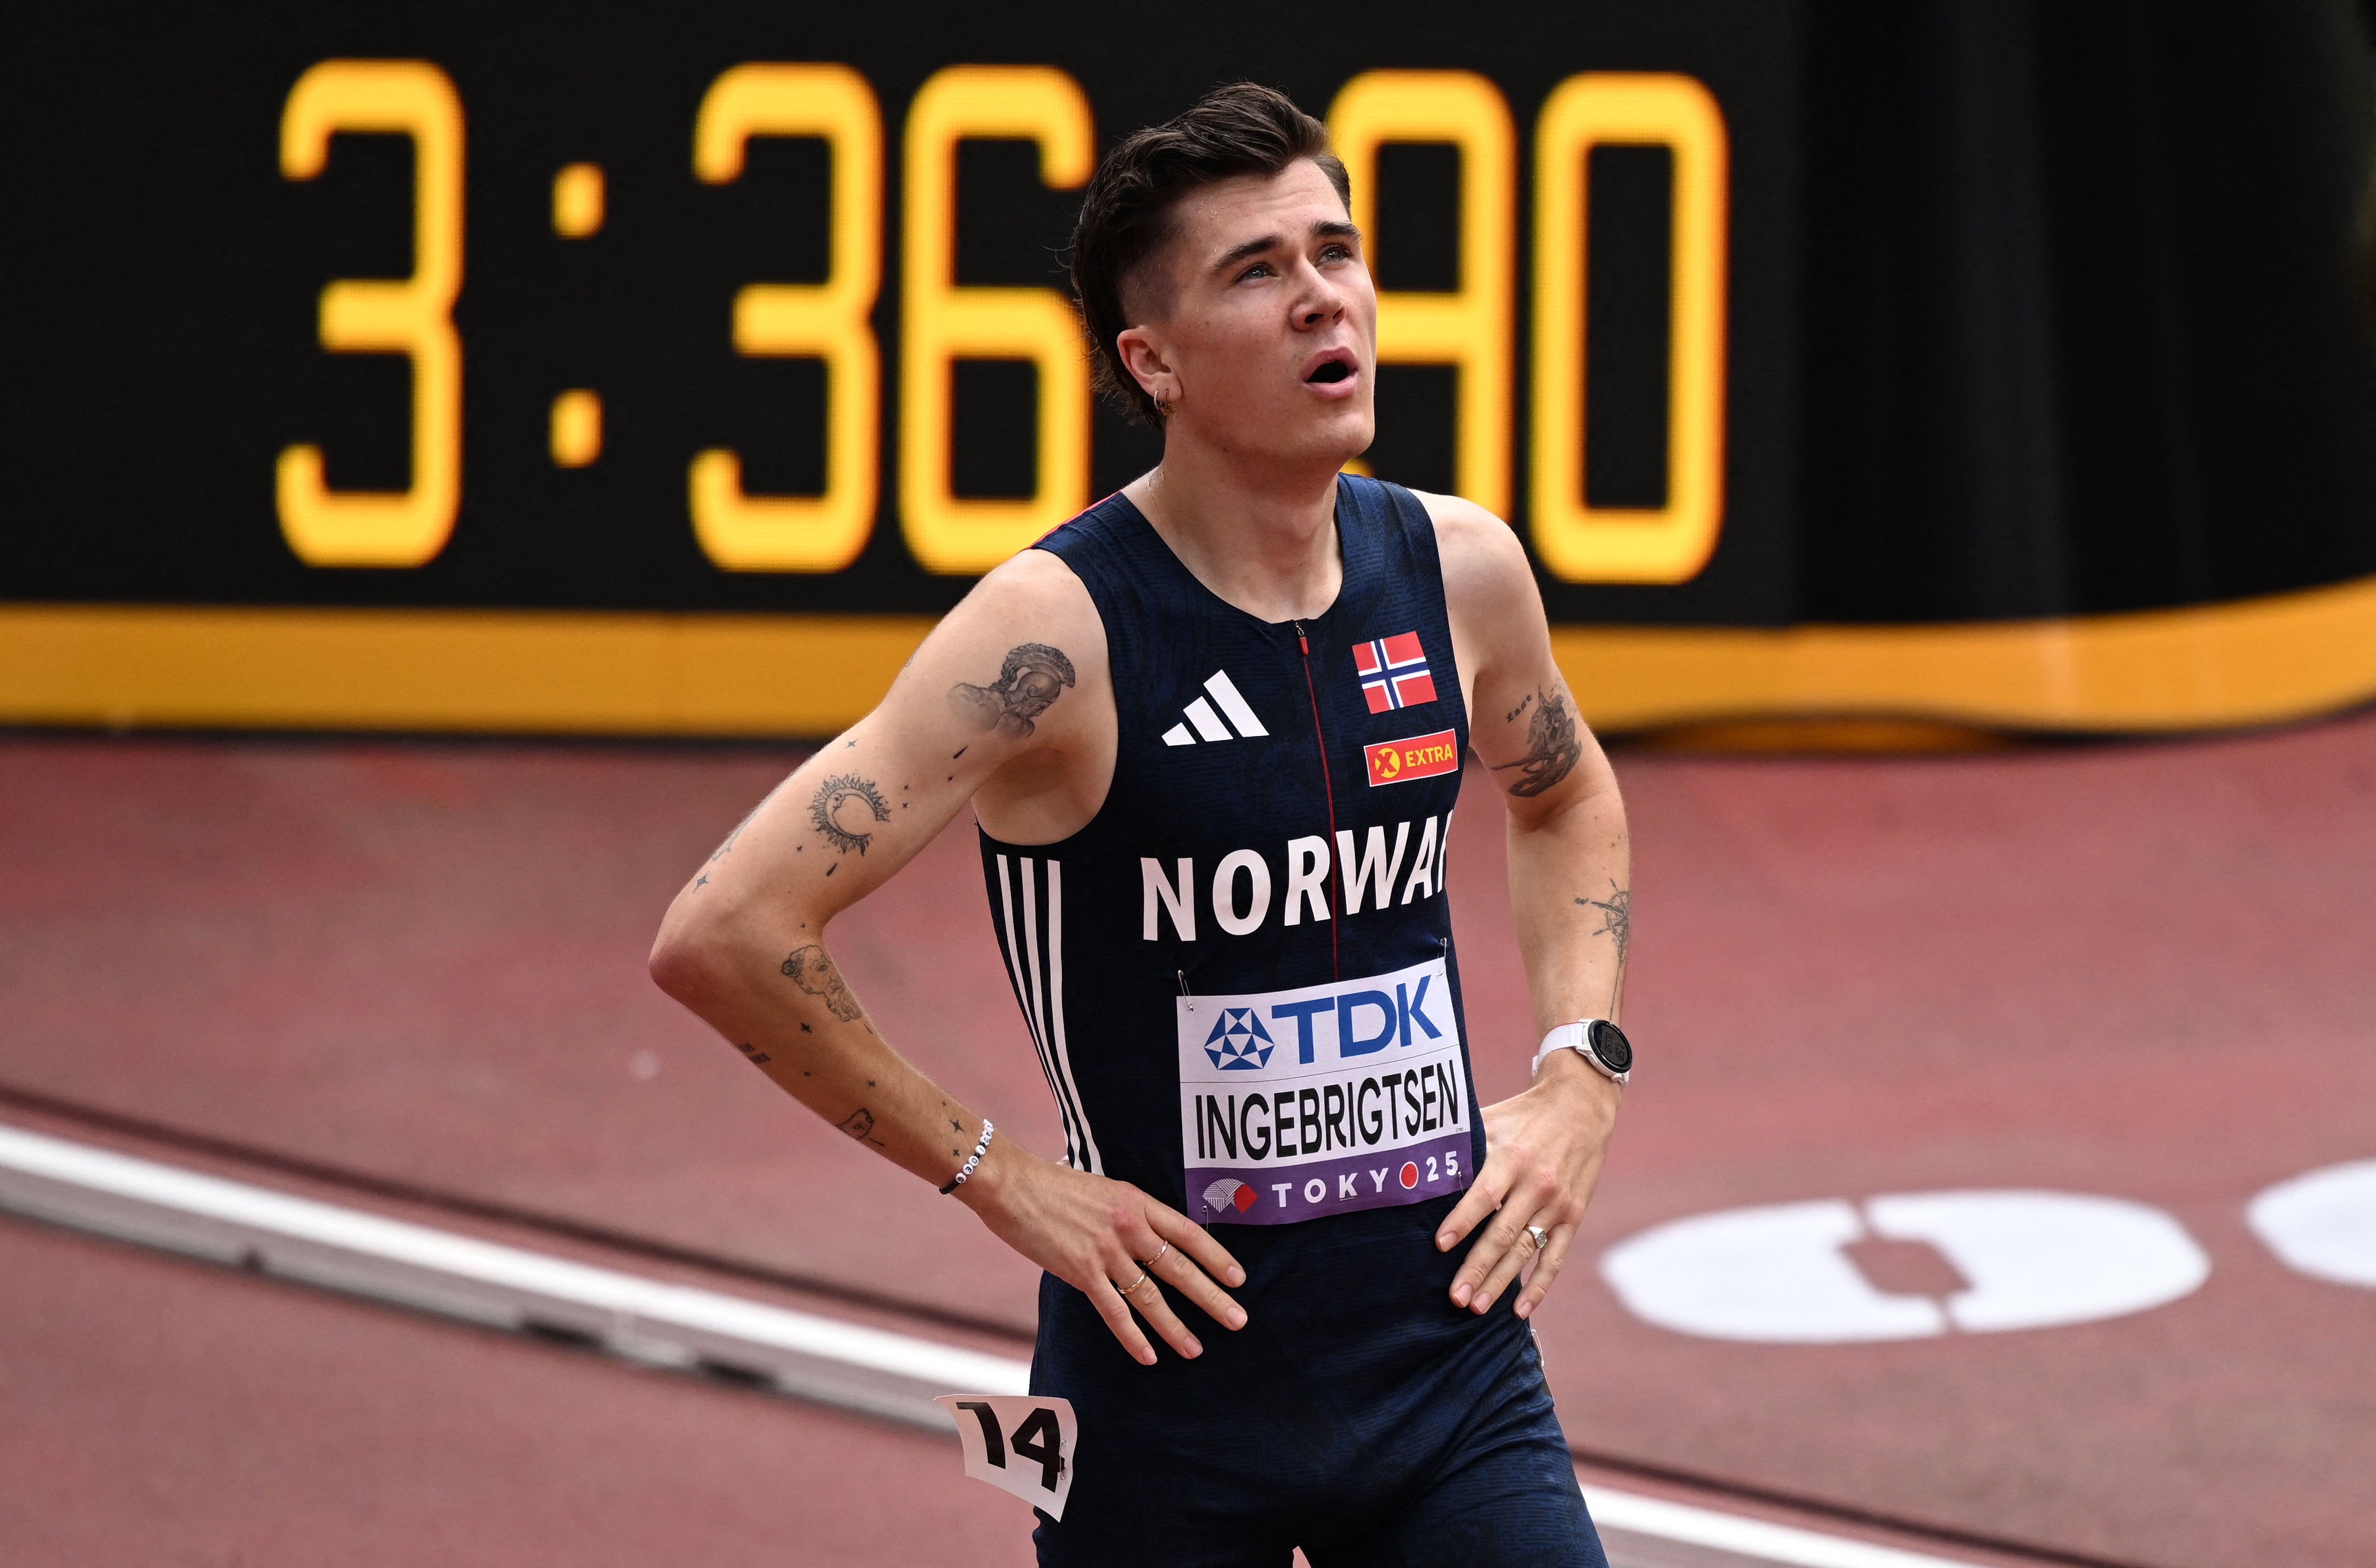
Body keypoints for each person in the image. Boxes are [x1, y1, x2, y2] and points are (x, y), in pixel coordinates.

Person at [650, 81, 1632, 1567]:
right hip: (1162, 1405)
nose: (1322, 299)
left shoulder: (1459, 570)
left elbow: (1562, 791)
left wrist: (1577, 1071)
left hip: (1448, 1368)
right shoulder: (1053, 632)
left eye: (1335, 252)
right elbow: (723, 929)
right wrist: (993, 1173)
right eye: (1259, 270)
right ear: (1149, 359)